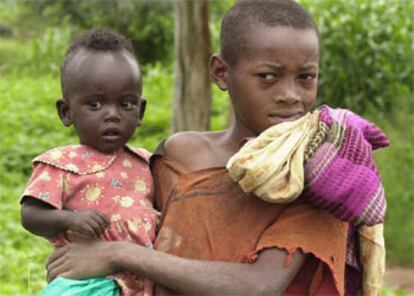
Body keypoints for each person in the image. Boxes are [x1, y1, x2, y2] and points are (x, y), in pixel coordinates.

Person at [46, 1, 388, 295]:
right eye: (268, 76)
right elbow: (137, 225)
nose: (291, 95)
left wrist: (118, 253)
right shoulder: (180, 155)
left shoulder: (316, 175)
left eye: (305, 77)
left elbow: (258, 286)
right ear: (221, 72)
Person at [20, 28, 159, 296]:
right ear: (66, 111)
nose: (112, 115)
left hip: (144, 281)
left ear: (140, 111)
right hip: (86, 282)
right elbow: (30, 214)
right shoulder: (60, 164)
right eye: (95, 104)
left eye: (126, 104)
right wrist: (68, 220)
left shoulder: (147, 163)